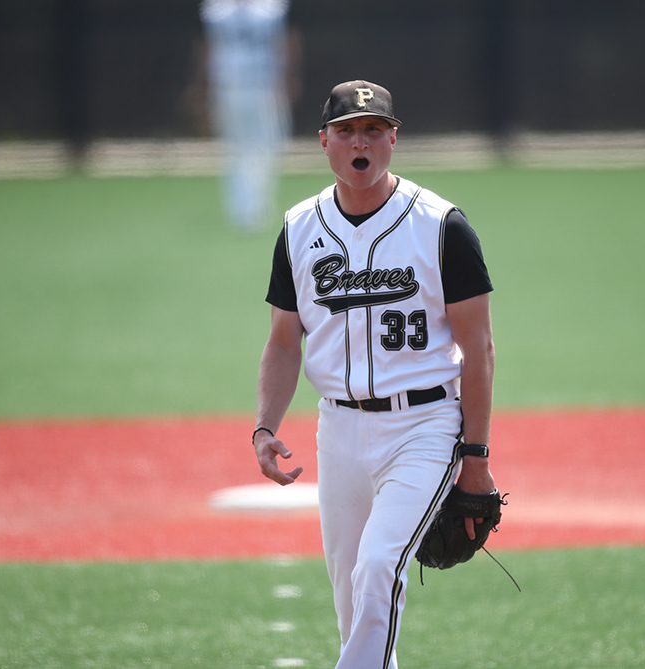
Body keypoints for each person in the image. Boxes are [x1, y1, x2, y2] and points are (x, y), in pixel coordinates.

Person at [251, 80, 498, 669]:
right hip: (337, 432)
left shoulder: (440, 226)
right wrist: (264, 427)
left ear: (393, 138)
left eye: (372, 130)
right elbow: (285, 342)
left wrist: (477, 457)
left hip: (425, 425)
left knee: (378, 566)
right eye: (345, 131)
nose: (359, 142)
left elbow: (479, 347)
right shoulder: (299, 229)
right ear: (324, 142)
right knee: (352, 596)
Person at [199, 0, 296, 232]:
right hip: (230, 85)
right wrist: (203, 85)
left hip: (261, 84)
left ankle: (255, 204)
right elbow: (208, 48)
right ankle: (245, 209)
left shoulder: (273, 9)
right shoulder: (215, 10)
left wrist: (286, 80)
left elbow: (283, 44)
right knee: (238, 147)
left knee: (266, 145)